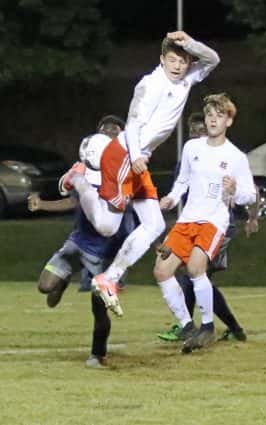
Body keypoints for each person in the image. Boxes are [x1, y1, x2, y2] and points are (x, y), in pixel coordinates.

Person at [61, 31, 220, 317]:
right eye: (172, 59)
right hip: (124, 156)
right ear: (162, 59)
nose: (178, 66)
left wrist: (190, 44)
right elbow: (132, 125)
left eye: (183, 61)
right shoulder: (150, 84)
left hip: (137, 159)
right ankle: (80, 179)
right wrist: (136, 157)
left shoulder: (185, 78)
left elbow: (213, 59)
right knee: (109, 227)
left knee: (155, 225)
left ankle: (109, 278)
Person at [153, 93, 256, 353]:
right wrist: (171, 198)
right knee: (162, 270)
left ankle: (208, 327)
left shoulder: (236, 157)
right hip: (187, 218)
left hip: (214, 221)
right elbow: (183, 181)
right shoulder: (192, 148)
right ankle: (188, 326)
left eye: (218, 116)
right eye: (209, 115)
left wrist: (234, 190)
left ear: (229, 121)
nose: (212, 120)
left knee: (196, 268)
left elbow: (250, 195)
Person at [32, 115, 135, 368]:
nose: (110, 134)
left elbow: (142, 209)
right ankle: (64, 279)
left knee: (98, 309)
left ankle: (97, 355)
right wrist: (46, 202)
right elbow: (69, 194)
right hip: (80, 241)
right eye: (105, 131)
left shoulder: (128, 170)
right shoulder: (83, 168)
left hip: (108, 253)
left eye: (115, 131)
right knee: (45, 287)